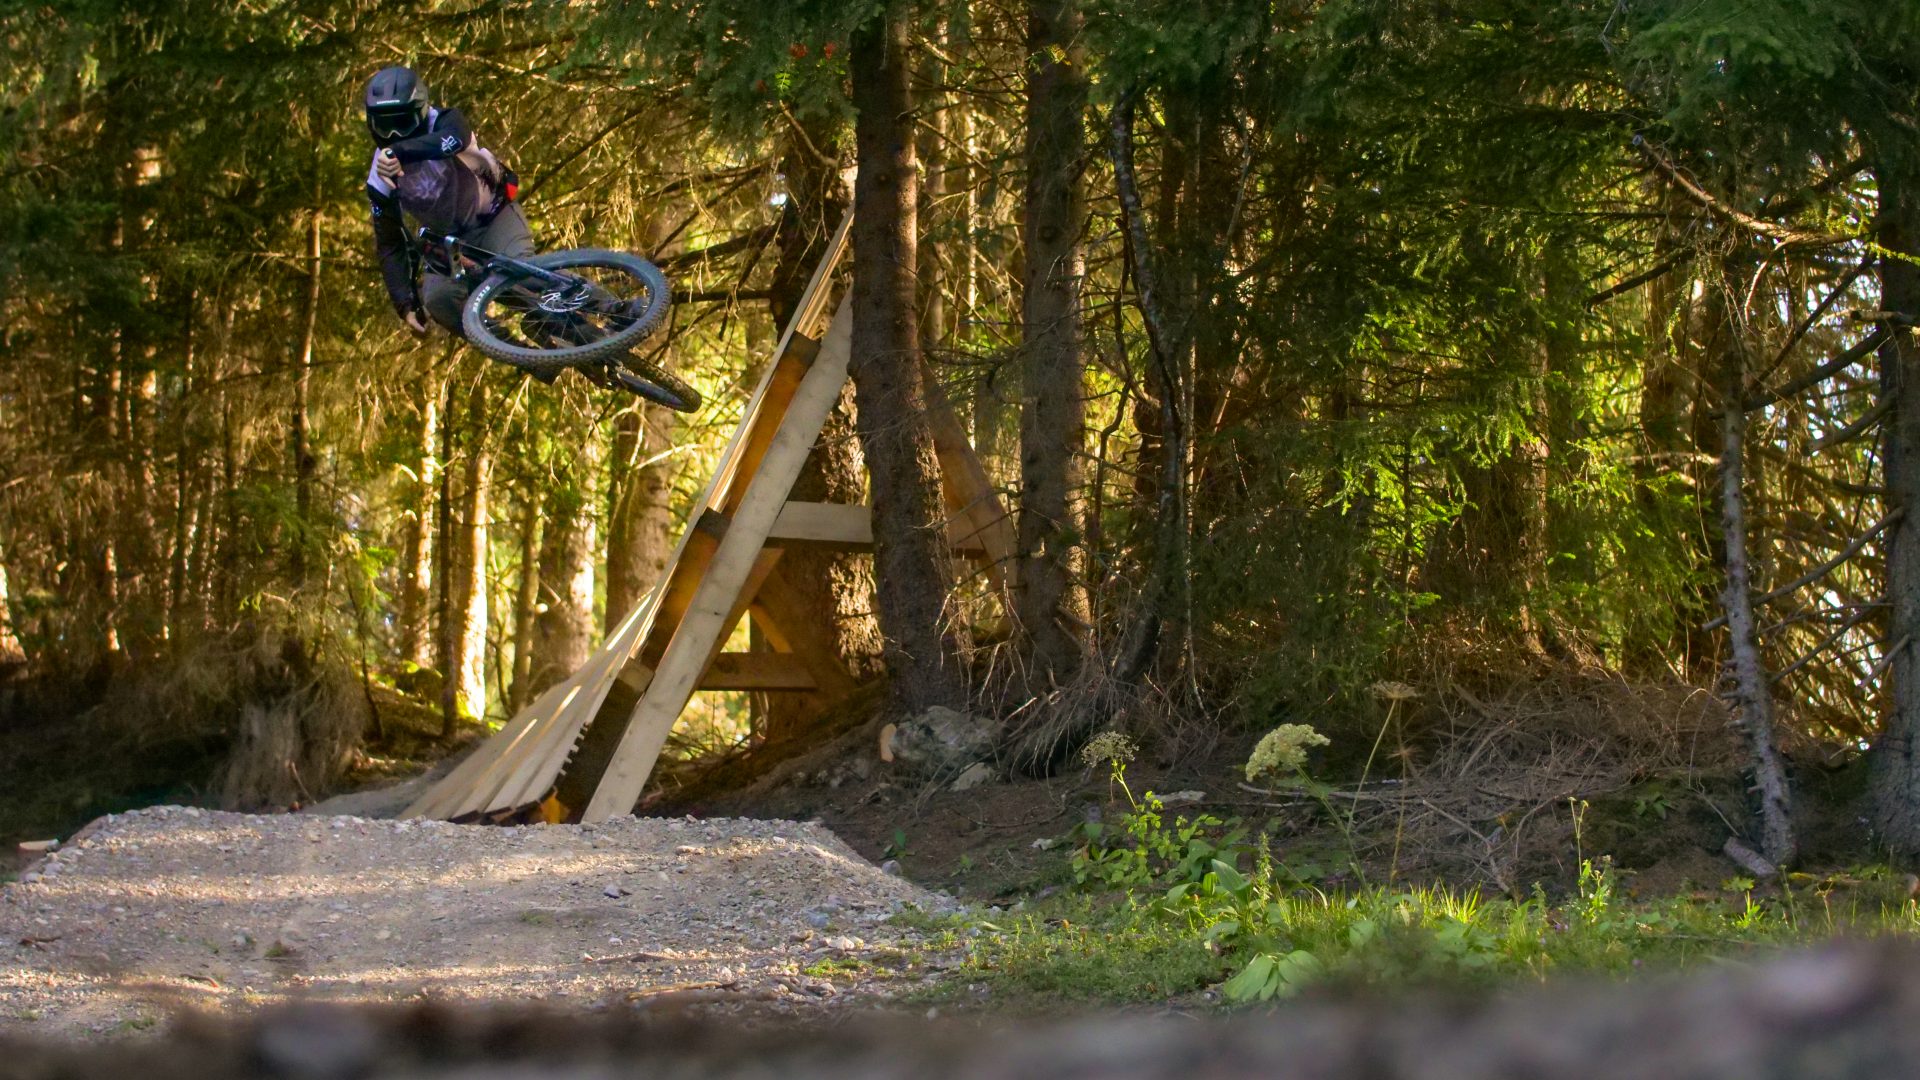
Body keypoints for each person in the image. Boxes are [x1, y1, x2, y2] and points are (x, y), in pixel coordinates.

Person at [362, 66, 529, 340]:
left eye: (401, 124)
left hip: (494, 217)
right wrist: (404, 302)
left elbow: (454, 140)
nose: (393, 135)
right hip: (453, 245)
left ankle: (616, 312)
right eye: (384, 126)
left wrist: (401, 152)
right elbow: (390, 243)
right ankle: (522, 354)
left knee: (524, 279)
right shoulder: (379, 180)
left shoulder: (445, 122)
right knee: (439, 299)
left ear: (421, 112)